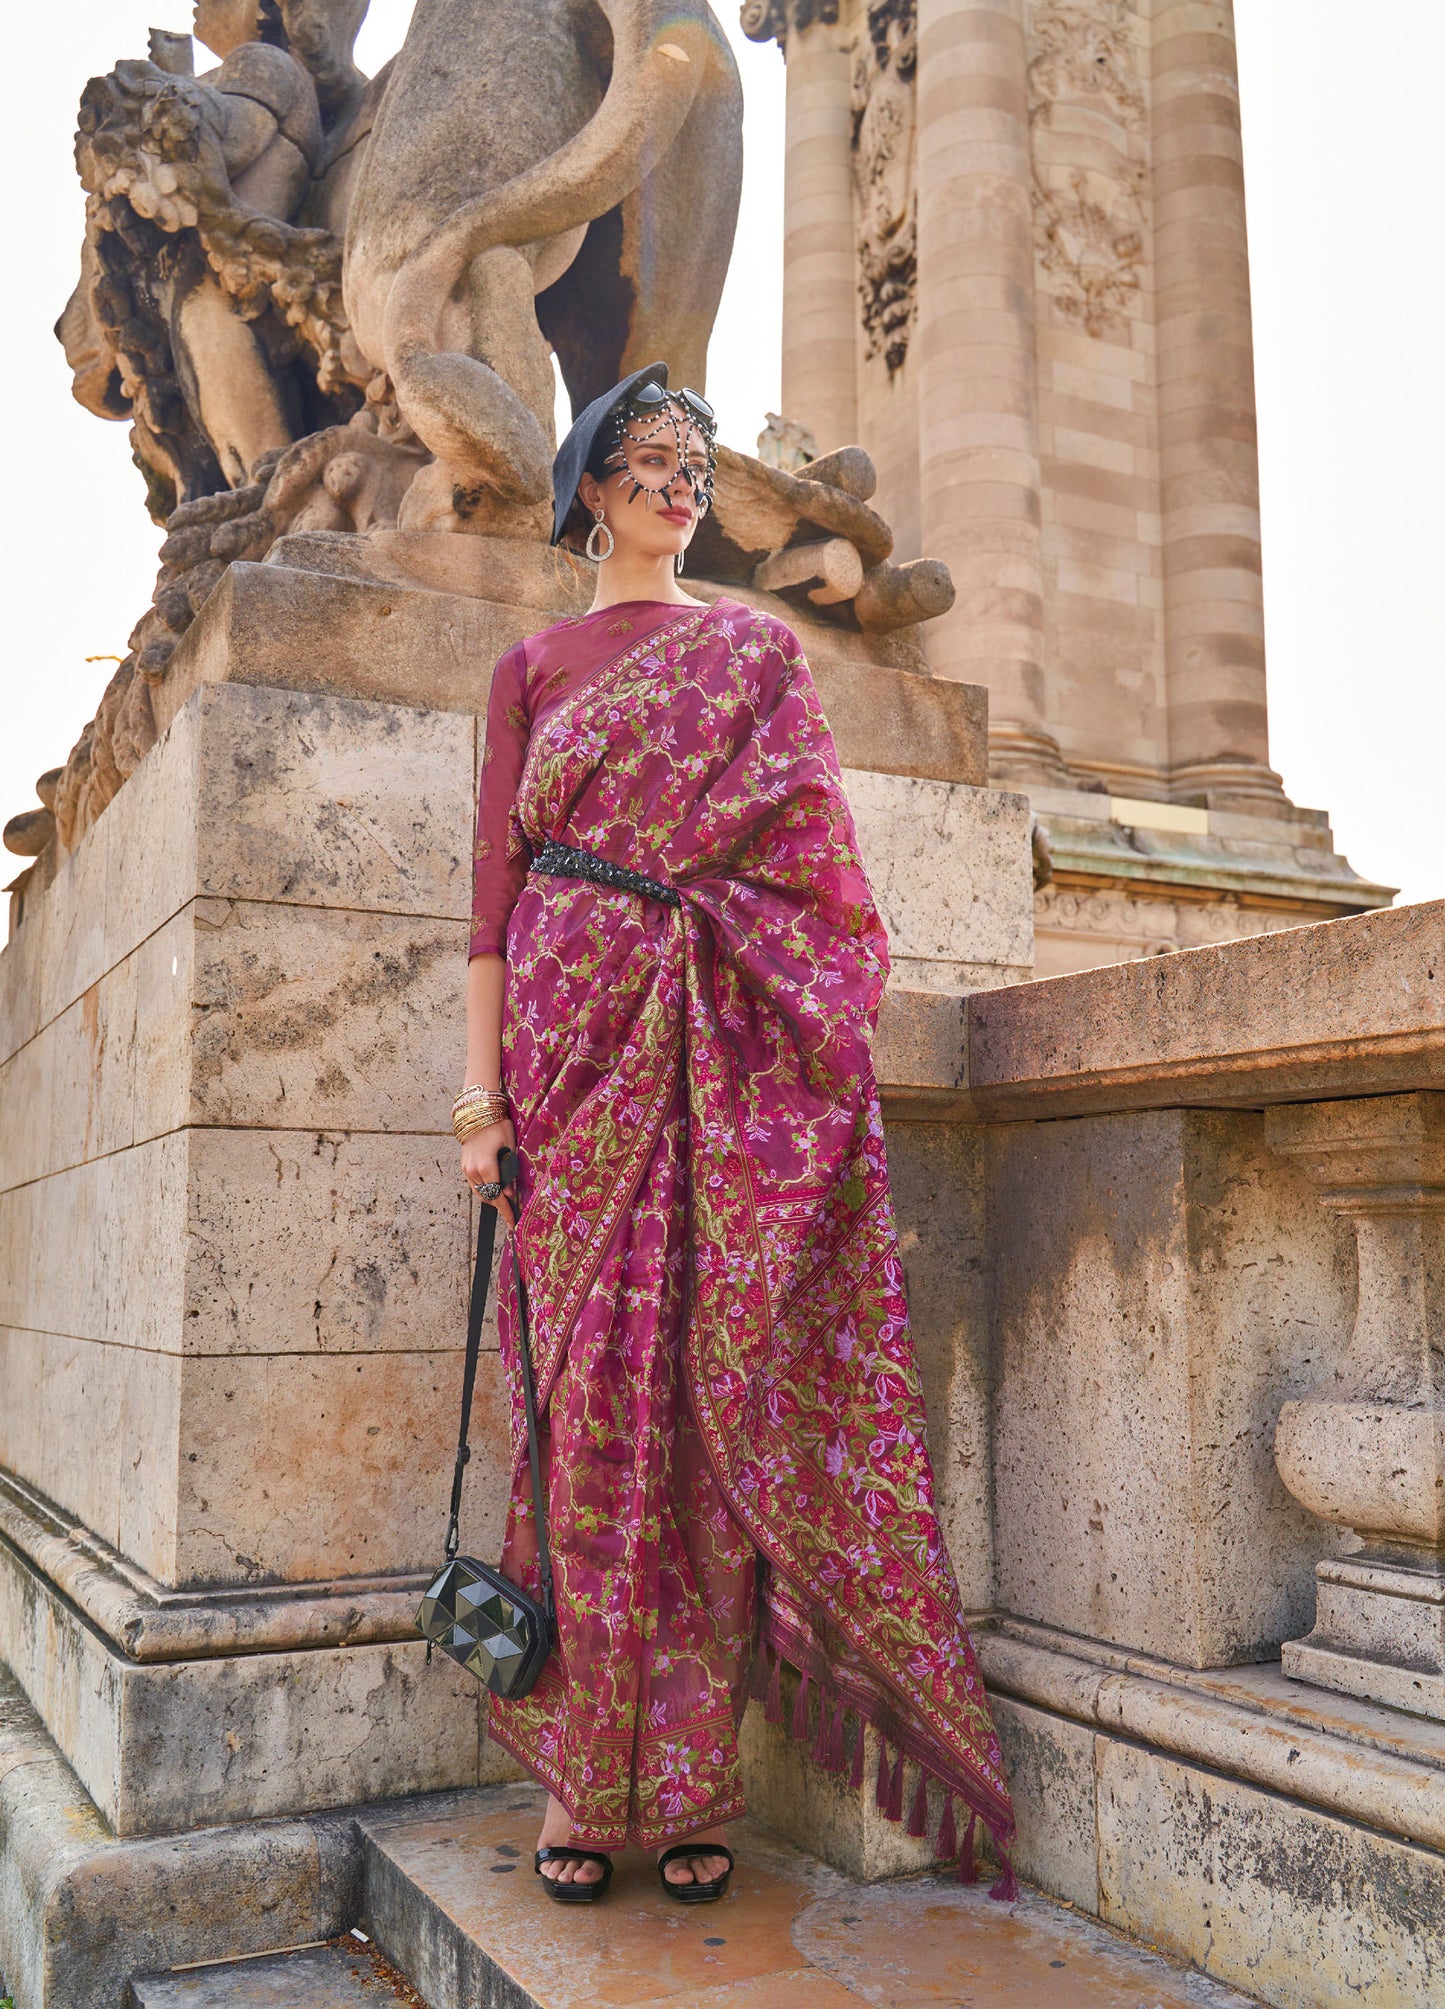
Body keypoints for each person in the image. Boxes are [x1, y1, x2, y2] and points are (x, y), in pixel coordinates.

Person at [457, 363, 1015, 1906]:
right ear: (589, 488)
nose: (675, 486)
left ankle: (689, 1785)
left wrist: (779, 1014)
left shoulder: (755, 657)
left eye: (691, 466)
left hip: (717, 1068)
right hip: (565, 1066)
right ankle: (584, 1784)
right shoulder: (530, 668)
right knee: (582, 1422)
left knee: (702, 1429)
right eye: (644, 462)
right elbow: (491, 908)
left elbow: (815, 879)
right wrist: (476, 1099)